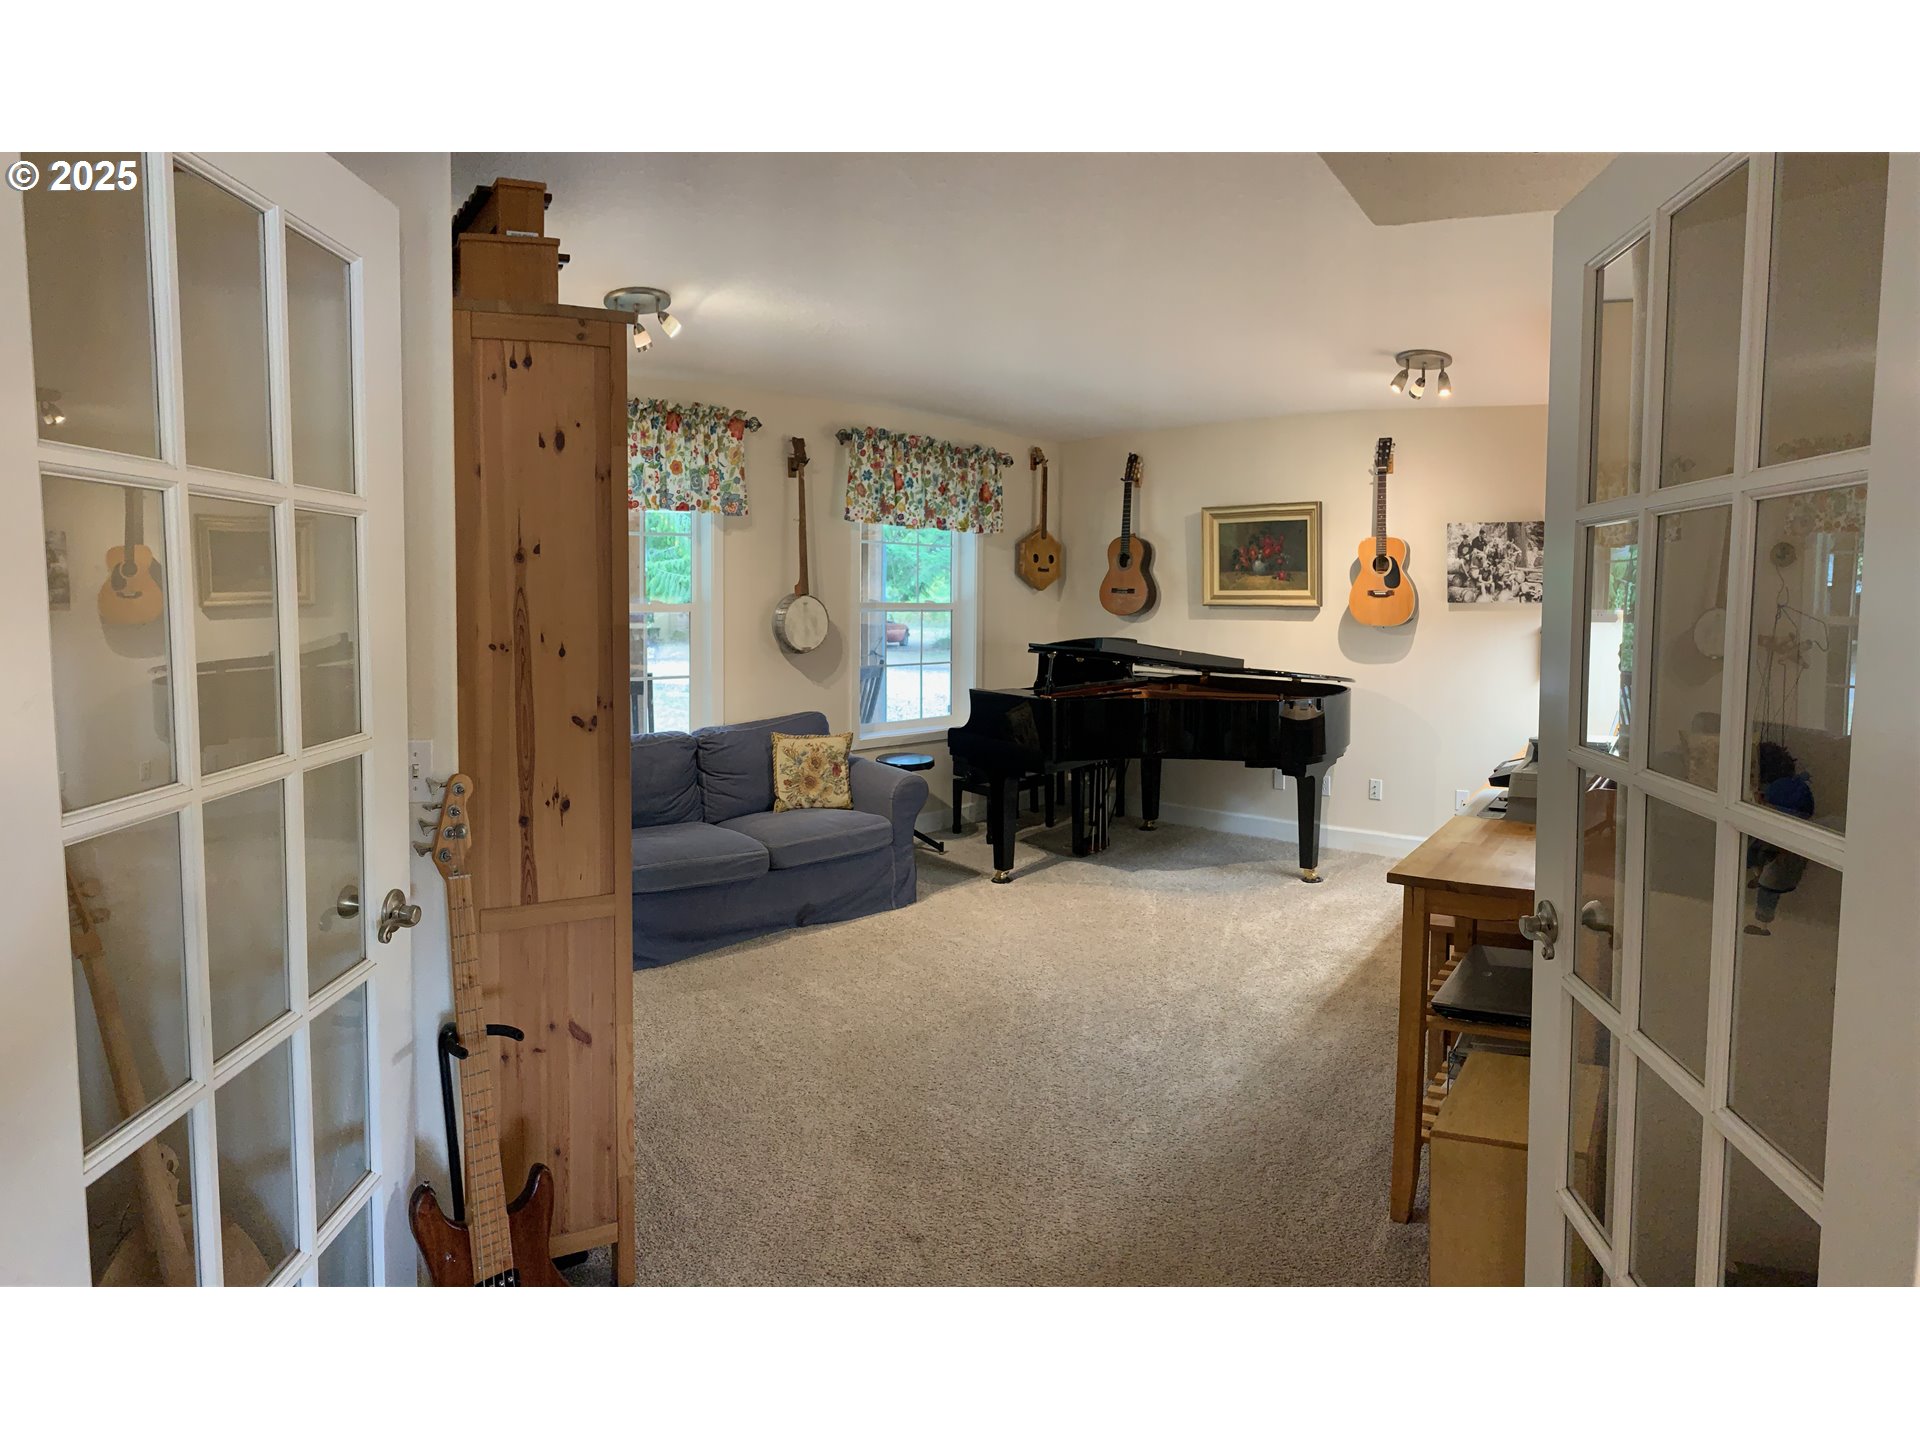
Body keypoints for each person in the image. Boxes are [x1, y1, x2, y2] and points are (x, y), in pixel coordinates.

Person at [1745, 741, 1814, 936]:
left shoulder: (1780, 794)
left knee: (1768, 893)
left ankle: (1762, 926)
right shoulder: (1796, 788)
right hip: (1781, 854)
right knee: (1757, 854)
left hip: (1782, 862)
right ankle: (1758, 879)